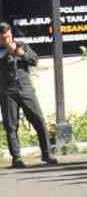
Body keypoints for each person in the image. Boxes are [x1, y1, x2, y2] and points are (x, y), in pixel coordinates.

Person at [1, 22, 55, 167]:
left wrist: (21, 53)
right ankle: (17, 158)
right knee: (11, 126)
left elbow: (34, 60)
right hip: (7, 91)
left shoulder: (22, 45)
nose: (7, 40)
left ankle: (47, 154)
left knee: (39, 120)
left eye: (8, 36)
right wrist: (6, 53)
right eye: (3, 38)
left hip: (26, 89)